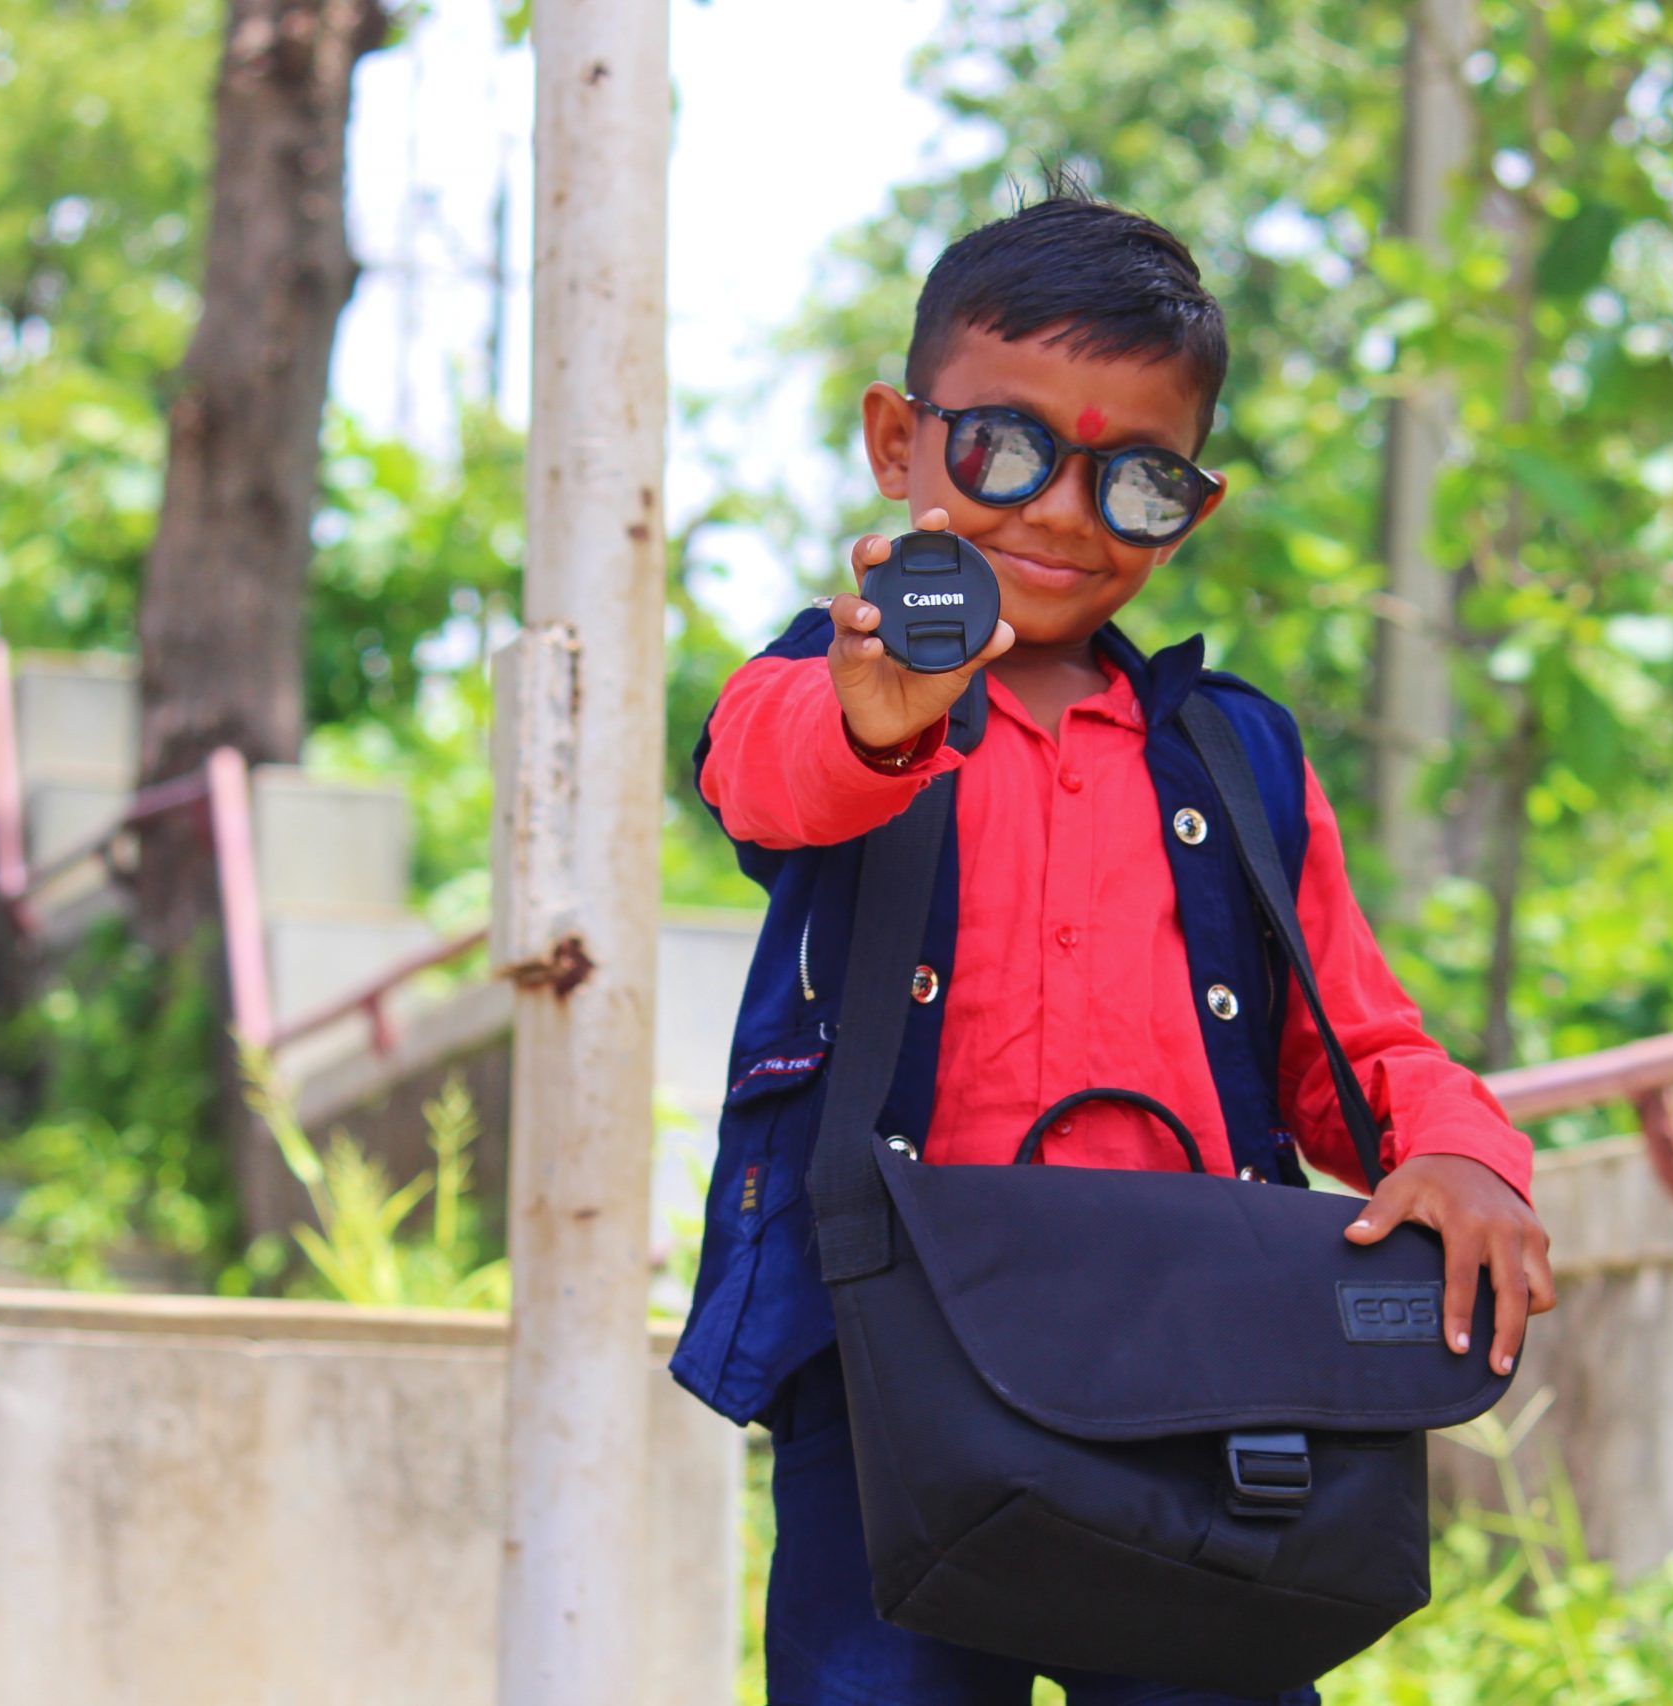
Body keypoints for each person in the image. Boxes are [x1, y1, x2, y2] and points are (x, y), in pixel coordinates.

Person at [675, 190, 1557, 1706]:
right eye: (1005, 450)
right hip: (896, 1374)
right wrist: (879, 718)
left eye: (1136, 482)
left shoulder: (1237, 758)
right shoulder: (827, 681)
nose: (1066, 515)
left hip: (1202, 1395)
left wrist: (1465, 1152)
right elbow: (761, 772)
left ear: (1192, 507)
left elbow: (1360, 1049)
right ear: (901, 440)